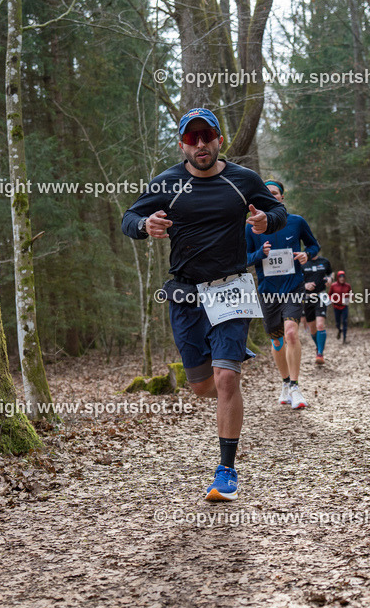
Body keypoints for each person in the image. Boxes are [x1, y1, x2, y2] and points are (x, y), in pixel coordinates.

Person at [121, 107, 286, 502]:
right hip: (186, 293)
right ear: (182, 144)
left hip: (233, 287)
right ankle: (229, 384)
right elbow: (129, 217)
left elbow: (278, 210)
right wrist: (146, 226)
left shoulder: (243, 179)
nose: (200, 145)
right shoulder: (167, 183)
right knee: (201, 386)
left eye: (206, 137)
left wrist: (267, 220)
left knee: (227, 377)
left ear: (219, 140)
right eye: (191, 139)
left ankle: (226, 472)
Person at [245, 180, 320, 410]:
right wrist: (260, 253)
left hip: (293, 286)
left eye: (275, 193)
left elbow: (314, 246)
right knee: (277, 341)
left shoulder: (296, 221)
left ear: (282, 197)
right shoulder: (250, 227)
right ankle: (285, 383)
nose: (271, 196)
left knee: (291, 334)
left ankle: (296, 387)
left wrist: (307, 255)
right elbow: (244, 259)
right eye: (266, 194)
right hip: (268, 292)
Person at [301, 253, 333, 364]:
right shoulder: (302, 262)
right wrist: (304, 286)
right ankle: (318, 347)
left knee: (320, 325)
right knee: (313, 329)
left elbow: (330, 273)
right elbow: (296, 280)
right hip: (307, 298)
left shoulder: (324, 261)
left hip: (321, 296)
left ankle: (320, 353)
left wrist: (330, 278)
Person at [328, 271, 352, 343]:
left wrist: (352, 296)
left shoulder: (348, 286)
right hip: (336, 306)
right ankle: (339, 330)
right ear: (338, 278)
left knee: (344, 321)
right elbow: (329, 294)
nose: (342, 278)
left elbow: (351, 294)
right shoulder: (333, 285)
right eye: (340, 277)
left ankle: (344, 338)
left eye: (343, 277)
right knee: (337, 323)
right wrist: (331, 300)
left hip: (344, 306)